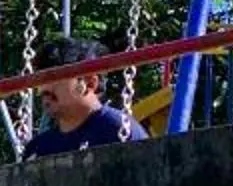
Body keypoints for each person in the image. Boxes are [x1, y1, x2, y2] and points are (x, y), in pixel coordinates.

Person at [21, 37, 149, 158]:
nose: (42, 90)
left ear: (90, 83)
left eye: (53, 79)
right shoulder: (38, 148)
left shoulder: (117, 130)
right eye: (40, 82)